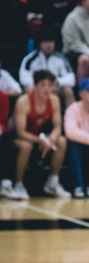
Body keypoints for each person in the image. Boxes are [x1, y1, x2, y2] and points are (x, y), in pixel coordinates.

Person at [6, 70, 70, 199]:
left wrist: (52, 137)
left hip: (38, 137)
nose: (47, 89)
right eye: (43, 85)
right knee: (26, 146)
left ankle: (53, 182)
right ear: (35, 86)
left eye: (50, 85)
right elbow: (20, 132)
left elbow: (58, 127)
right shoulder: (23, 101)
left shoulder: (54, 100)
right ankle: (18, 185)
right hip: (14, 138)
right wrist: (41, 140)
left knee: (61, 141)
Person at [19, 27, 76, 108]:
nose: (49, 45)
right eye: (46, 42)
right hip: (36, 89)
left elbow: (71, 78)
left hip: (54, 88)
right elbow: (24, 78)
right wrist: (40, 86)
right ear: (40, 44)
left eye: (51, 42)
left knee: (68, 91)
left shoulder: (61, 58)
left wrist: (57, 82)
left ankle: (71, 116)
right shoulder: (30, 59)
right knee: (28, 89)